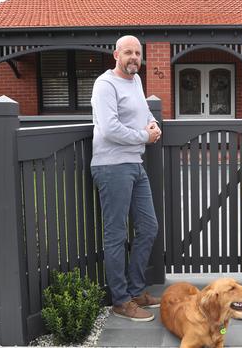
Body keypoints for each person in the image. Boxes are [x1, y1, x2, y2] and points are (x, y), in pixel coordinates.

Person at [90, 35, 162, 322]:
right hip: (111, 166)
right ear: (115, 55)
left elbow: (144, 112)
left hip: (134, 164)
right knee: (116, 235)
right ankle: (120, 300)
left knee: (149, 227)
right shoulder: (104, 85)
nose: (134, 57)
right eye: (128, 52)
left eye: (137, 53)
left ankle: (134, 290)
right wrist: (145, 136)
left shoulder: (136, 81)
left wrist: (153, 125)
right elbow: (108, 129)